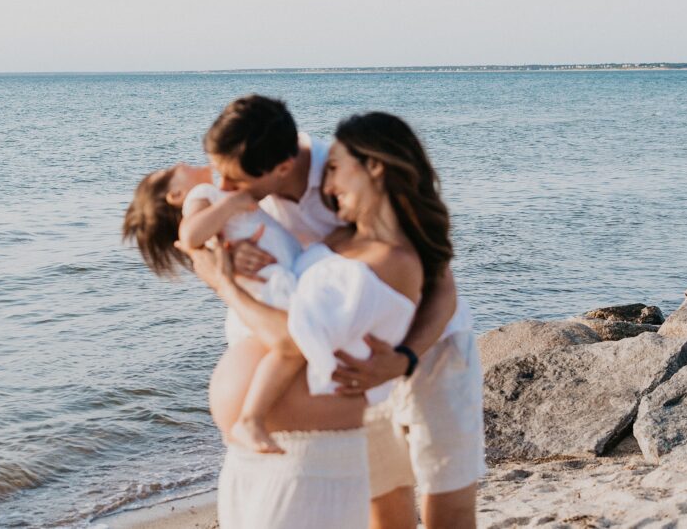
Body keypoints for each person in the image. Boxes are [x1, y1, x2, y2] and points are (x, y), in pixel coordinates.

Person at [202, 96, 484, 529]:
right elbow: (195, 231)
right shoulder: (259, 198)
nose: (224, 187)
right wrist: (228, 254)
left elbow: (442, 291)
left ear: (275, 169)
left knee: (445, 487)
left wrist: (403, 357)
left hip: (429, 347)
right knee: (383, 489)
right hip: (352, 359)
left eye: (234, 180)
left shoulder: (352, 187)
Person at [122, 161, 409, 455]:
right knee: (295, 340)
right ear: (175, 195)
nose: (180, 163)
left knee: (306, 333)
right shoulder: (203, 197)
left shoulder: (227, 199)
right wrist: (233, 206)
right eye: (169, 173)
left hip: (278, 281)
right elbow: (191, 236)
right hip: (270, 285)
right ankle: (251, 418)